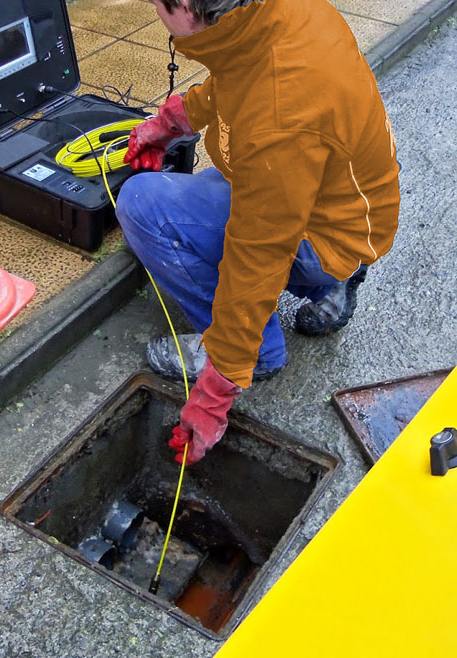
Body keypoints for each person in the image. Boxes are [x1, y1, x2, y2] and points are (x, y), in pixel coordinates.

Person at [115, 0, 400, 465]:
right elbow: (236, 77)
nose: (157, 17)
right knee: (211, 192)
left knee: (144, 204)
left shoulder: (278, 115)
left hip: (318, 229)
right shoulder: (276, 14)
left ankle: (257, 351)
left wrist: (213, 395)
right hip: (353, 207)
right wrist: (169, 124)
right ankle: (336, 281)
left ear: (186, 6)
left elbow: (257, 256)